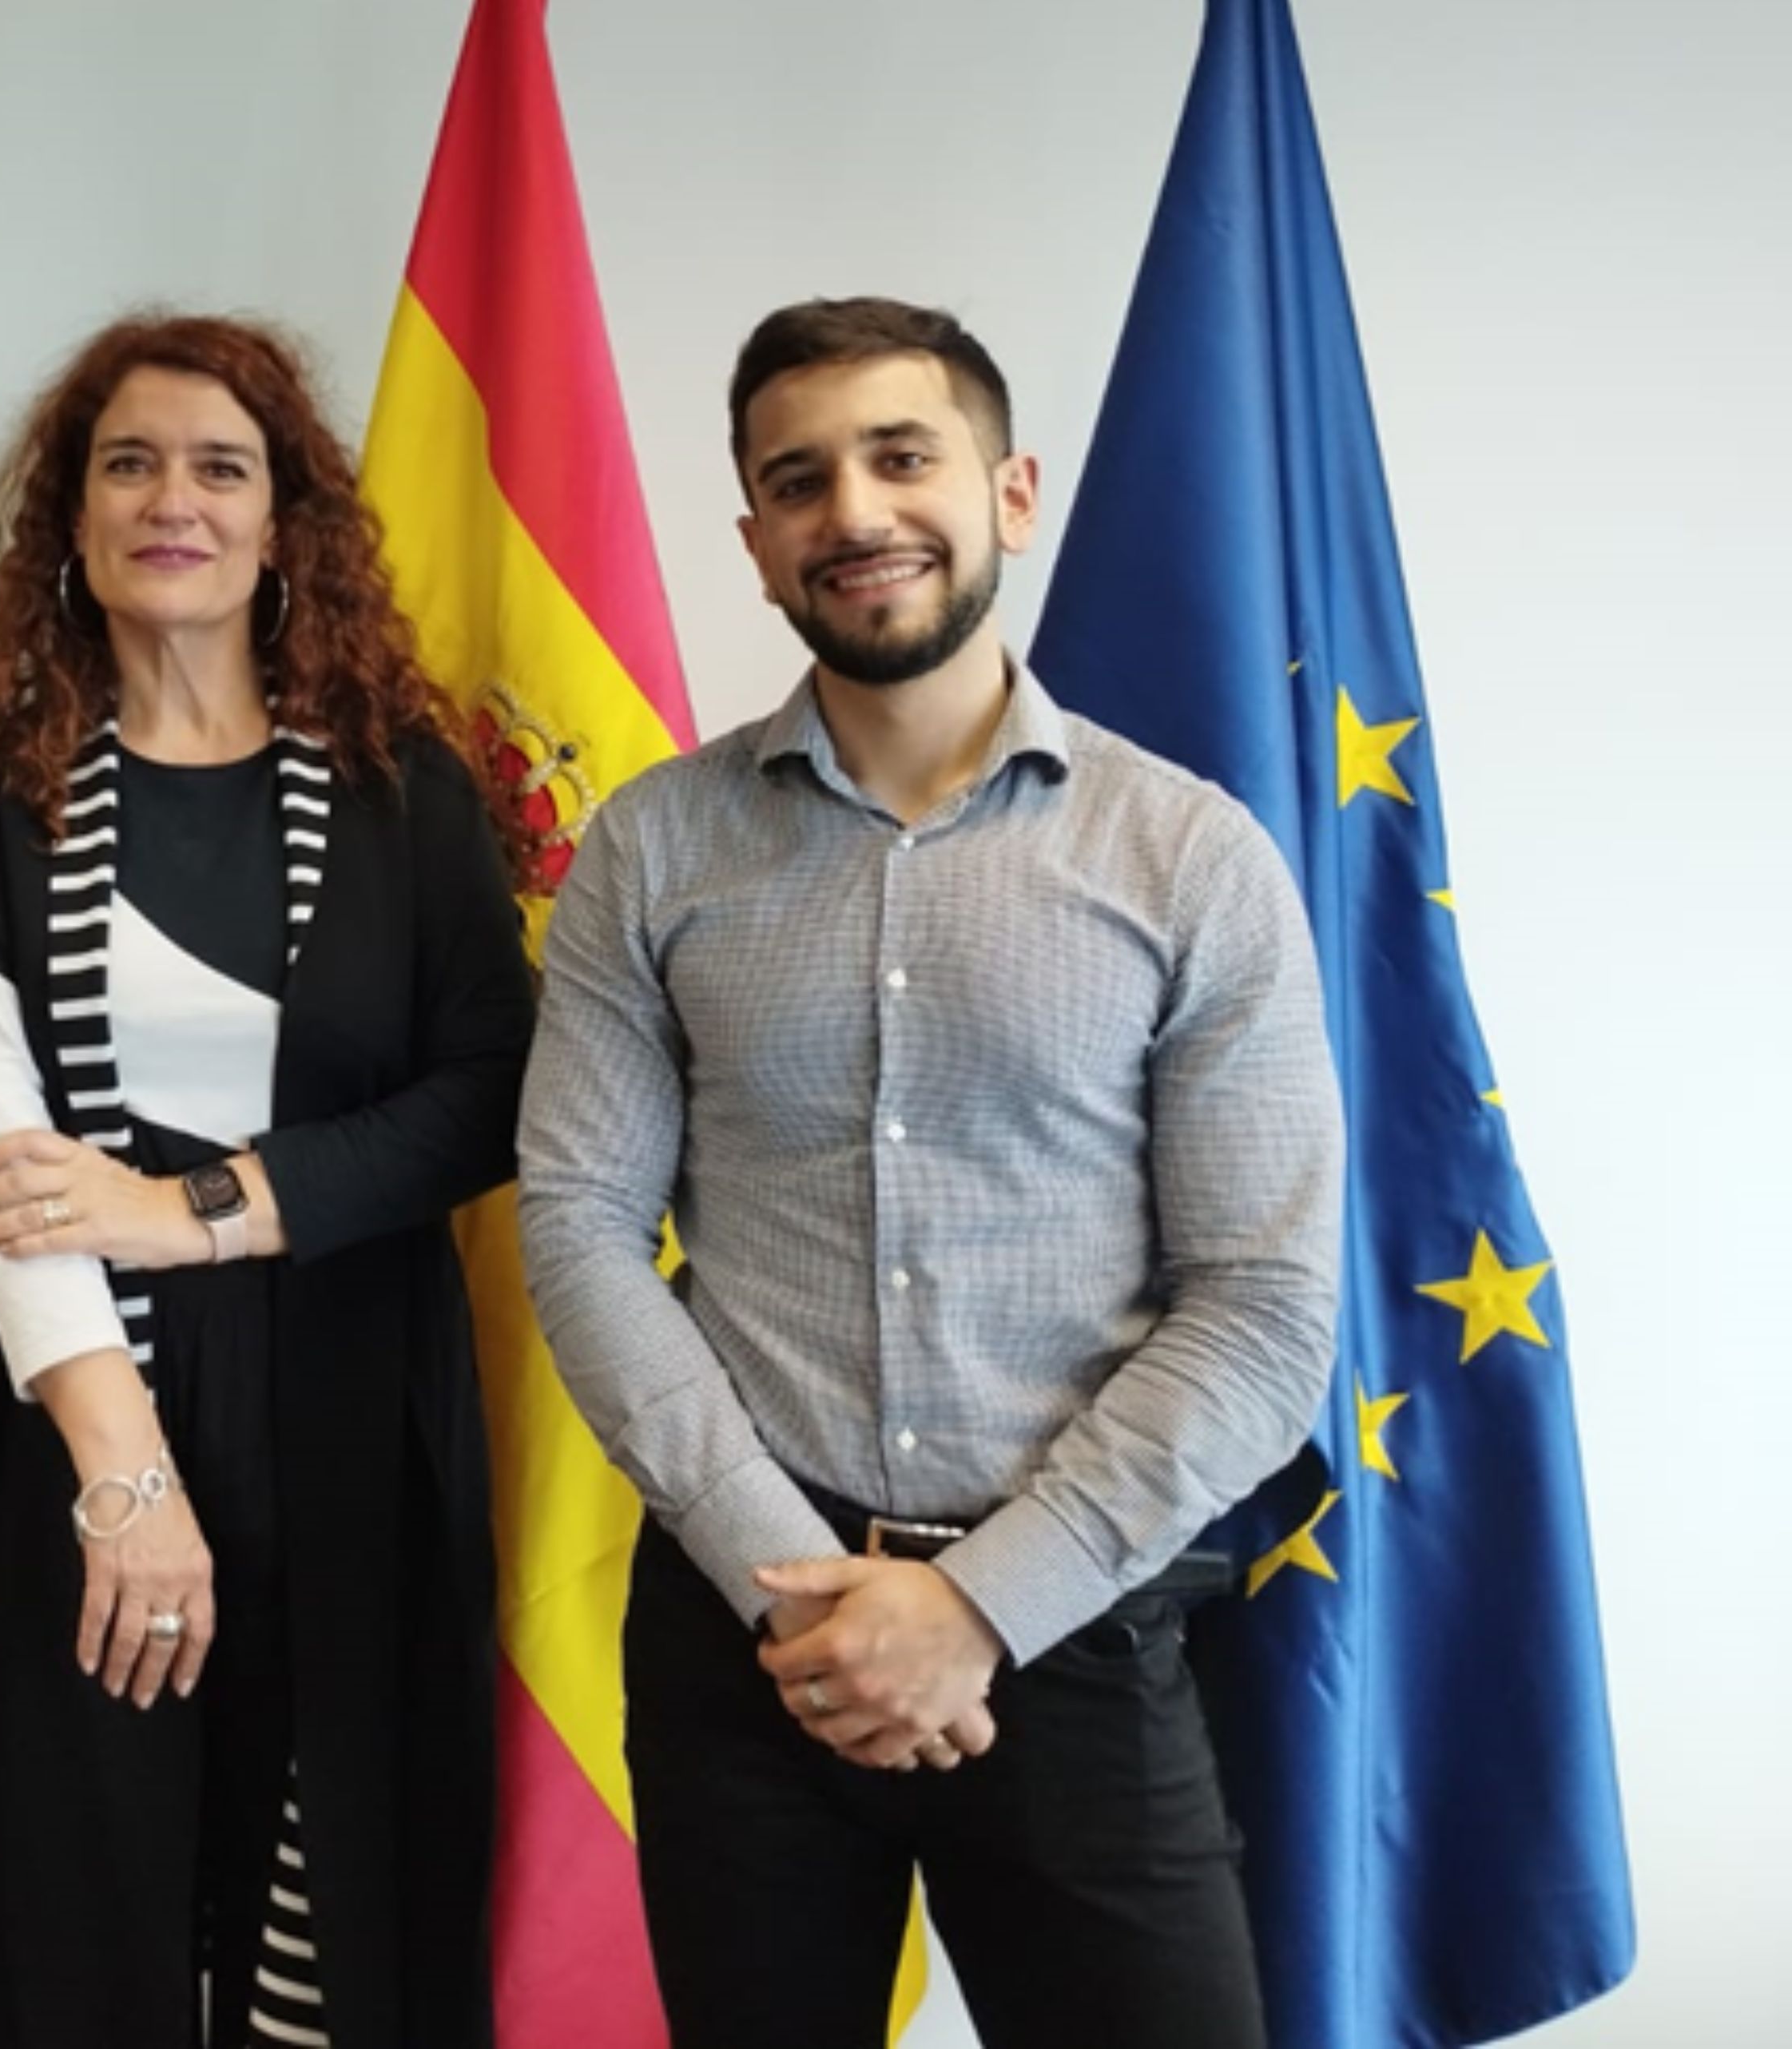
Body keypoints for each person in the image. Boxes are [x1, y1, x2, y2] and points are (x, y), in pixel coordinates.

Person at [517, 297, 1345, 2048]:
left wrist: (975, 1605)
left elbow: (1267, 1309)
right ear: (753, 542)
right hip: (753, 1642)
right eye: (798, 479)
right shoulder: (651, 846)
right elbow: (582, 1222)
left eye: (905, 456)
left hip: (1084, 1622)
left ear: (1011, 489)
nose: (856, 511)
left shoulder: (1190, 853)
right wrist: (789, 1587)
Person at [0, 313, 533, 2049]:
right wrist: (125, 1483)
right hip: (55, 1415)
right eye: (130, 462)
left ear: (284, 518)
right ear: (69, 519)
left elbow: (488, 1097)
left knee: (331, 1888)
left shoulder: (406, 792)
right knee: (58, 1891)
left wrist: (198, 1206)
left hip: (348, 1401)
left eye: (222, 466)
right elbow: (1, 1175)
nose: (175, 500)